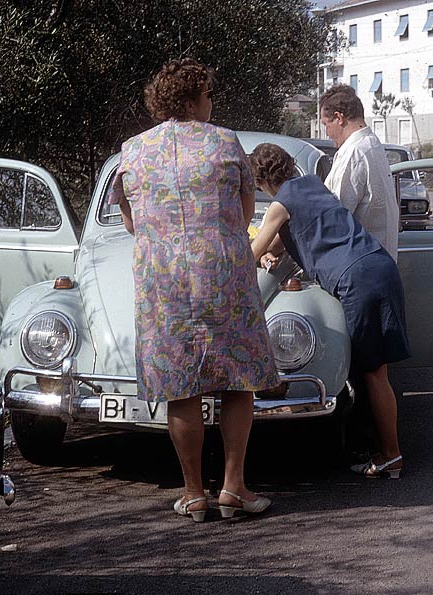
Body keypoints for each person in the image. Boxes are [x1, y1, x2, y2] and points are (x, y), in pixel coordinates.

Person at [109, 58, 279, 521]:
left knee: (181, 386)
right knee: (237, 380)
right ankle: (234, 487)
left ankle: (192, 492)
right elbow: (245, 211)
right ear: (190, 99)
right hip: (224, 276)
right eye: (207, 94)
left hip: (164, 284)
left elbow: (130, 220)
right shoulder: (226, 142)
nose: (212, 102)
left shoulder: (133, 151)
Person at [249, 143, 409, 478]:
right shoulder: (311, 185)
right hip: (379, 266)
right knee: (378, 372)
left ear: (261, 180)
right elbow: (290, 236)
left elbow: (254, 251)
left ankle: (391, 456)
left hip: (356, 278)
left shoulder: (279, 204)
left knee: (373, 373)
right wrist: (272, 253)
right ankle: (383, 449)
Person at [319, 84, 398, 261]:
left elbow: (334, 218)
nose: (327, 133)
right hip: (375, 261)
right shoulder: (371, 143)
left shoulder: (355, 152)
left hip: (361, 266)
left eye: (325, 124)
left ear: (339, 118)